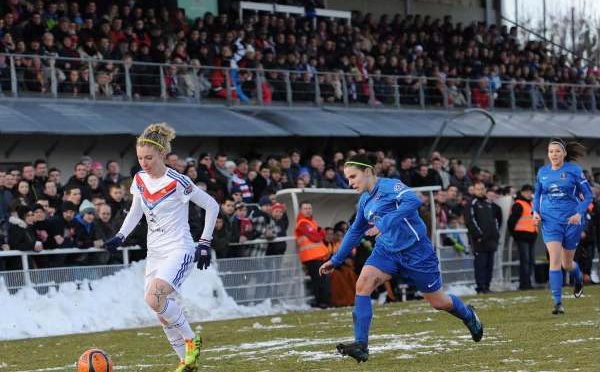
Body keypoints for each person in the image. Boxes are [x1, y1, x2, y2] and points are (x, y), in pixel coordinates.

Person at [319, 154, 483, 363]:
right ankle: (361, 345)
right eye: (348, 178)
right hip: (386, 252)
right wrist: (336, 259)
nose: (350, 183)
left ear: (368, 172)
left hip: (416, 252)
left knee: (439, 302)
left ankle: (468, 315)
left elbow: (413, 200)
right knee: (363, 284)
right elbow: (354, 231)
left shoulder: (390, 186)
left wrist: (385, 222)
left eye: (353, 177)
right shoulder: (364, 201)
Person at [105, 122, 219, 372]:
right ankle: (186, 362)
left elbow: (212, 206)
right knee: (159, 310)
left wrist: (204, 242)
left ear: (162, 155)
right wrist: (120, 236)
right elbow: (136, 211)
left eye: (149, 157)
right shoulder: (139, 179)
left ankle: (192, 341)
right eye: (139, 157)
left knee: (154, 298)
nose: (144, 162)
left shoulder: (178, 181)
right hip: (155, 252)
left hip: (179, 248)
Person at [533, 138, 593, 315]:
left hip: (571, 221)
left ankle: (578, 277)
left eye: (557, 151)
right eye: (551, 152)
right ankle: (558, 303)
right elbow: (537, 195)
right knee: (555, 260)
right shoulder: (542, 172)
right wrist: (535, 212)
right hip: (550, 221)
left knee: (567, 264)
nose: (554, 155)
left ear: (564, 153)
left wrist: (579, 213)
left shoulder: (574, 170)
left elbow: (588, 196)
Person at [465, 182, 502, 294]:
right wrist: (478, 235)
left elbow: (496, 219)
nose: (480, 191)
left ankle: (487, 286)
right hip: (479, 240)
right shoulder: (472, 204)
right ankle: (480, 287)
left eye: (482, 189)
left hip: (491, 239)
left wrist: (495, 234)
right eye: (478, 189)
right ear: (474, 190)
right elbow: (470, 221)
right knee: (481, 264)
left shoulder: (489, 204)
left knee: (489, 264)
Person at [296, 201, 331, 309]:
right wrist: (321, 232)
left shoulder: (311, 221)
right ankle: (321, 302)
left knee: (322, 280)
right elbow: (316, 237)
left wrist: (320, 233)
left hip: (317, 256)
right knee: (319, 281)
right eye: (305, 208)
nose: (308, 210)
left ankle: (323, 302)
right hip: (311, 257)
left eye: (309, 208)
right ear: (300, 210)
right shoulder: (303, 223)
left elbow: (319, 234)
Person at [507, 184, 538, 290]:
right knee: (525, 261)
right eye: (528, 192)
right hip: (523, 236)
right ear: (523, 192)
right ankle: (525, 284)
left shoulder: (530, 204)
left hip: (530, 236)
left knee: (529, 261)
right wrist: (516, 235)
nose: (530, 194)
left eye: (531, 192)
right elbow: (511, 222)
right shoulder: (519, 204)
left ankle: (527, 282)